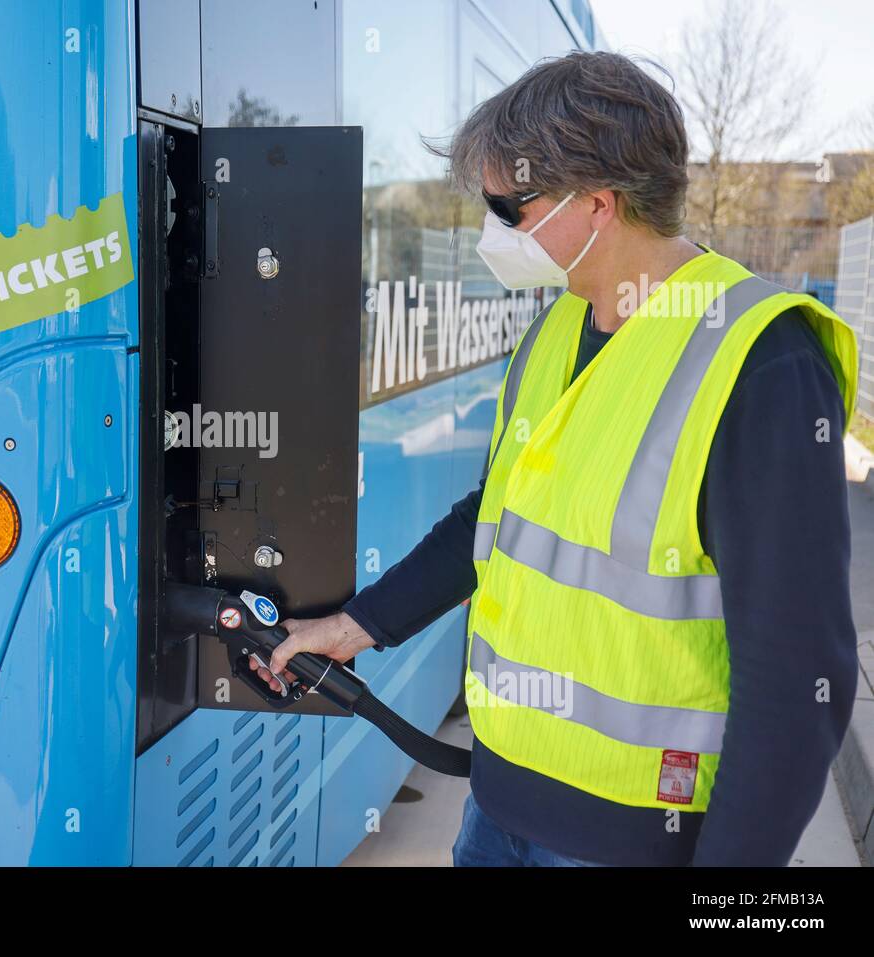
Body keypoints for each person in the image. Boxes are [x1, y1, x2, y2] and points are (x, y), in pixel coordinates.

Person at [254, 51, 860, 867]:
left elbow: (797, 678)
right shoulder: (555, 329)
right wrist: (356, 625)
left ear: (598, 205)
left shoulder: (762, 363)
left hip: (636, 842)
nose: (491, 228)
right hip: (498, 811)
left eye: (509, 204)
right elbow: (494, 519)